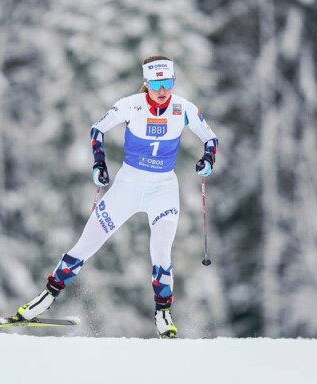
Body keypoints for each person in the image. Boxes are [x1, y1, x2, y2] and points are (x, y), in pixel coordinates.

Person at [15, 56, 218, 338]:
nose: (162, 90)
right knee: (86, 245)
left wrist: (208, 159)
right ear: (146, 83)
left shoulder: (184, 109)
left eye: (168, 82)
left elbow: (210, 138)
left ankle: (163, 314)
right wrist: (99, 164)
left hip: (163, 189)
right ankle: (46, 297)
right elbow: (97, 129)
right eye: (157, 83)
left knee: (161, 252)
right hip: (128, 186)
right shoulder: (129, 105)